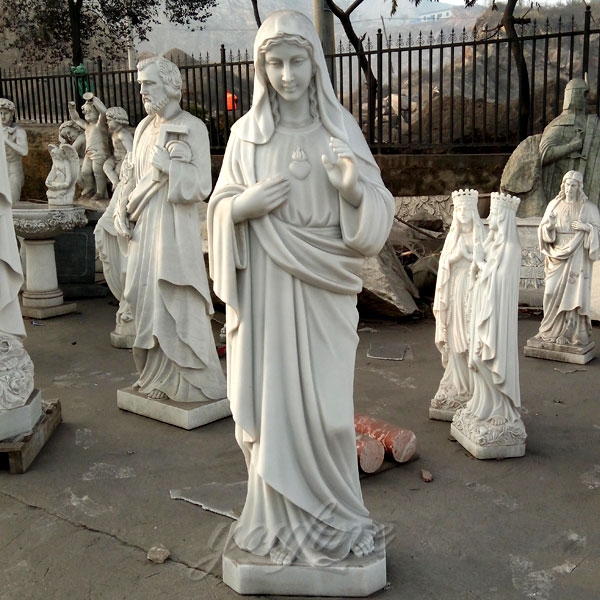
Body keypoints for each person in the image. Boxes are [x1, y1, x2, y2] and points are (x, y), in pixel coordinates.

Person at [208, 10, 394, 566]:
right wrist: (241, 207)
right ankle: (275, 522)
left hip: (324, 291)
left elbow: (378, 211)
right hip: (266, 291)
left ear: (315, 65)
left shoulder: (340, 131)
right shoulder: (245, 137)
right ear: (261, 69)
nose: (287, 75)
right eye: (276, 64)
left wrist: (353, 193)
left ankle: (335, 517)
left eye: (297, 62)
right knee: (273, 413)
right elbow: (217, 208)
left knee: (330, 414)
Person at [114, 55, 226, 403]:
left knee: (174, 298)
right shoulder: (143, 129)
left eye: (149, 84)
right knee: (143, 298)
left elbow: (202, 186)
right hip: (143, 228)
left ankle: (188, 382)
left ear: (171, 85)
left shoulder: (193, 127)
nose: (143, 91)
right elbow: (131, 177)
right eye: (141, 85)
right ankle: (152, 376)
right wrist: (121, 207)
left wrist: (171, 168)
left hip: (173, 231)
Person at [453, 193, 525, 450]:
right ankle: (481, 404)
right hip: (482, 310)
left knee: (488, 359)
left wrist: (480, 263)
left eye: (494, 213)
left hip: (497, 317)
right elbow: (480, 275)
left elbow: (501, 281)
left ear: (503, 217)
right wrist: (478, 265)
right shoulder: (492, 244)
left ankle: (500, 409)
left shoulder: (511, 248)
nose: (490, 217)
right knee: (475, 359)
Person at [430, 189, 485, 420]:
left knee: (472, 338)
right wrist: (456, 255)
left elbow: (486, 266)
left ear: (473, 212)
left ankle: (473, 387)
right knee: (454, 339)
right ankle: (457, 385)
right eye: (459, 209)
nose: (462, 213)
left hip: (473, 293)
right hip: (454, 293)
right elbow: (444, 265)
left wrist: (469, 257)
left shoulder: (481, 237)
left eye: (466, 209)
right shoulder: (453, 238)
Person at [534, 170, 600, 347]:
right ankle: (548, 330)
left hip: (577, 253)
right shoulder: (554, 204)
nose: (569, 188)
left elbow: (598, 231)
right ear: (563, 186)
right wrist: (549, 226)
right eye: (567, 184)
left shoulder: (589, 208)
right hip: (556, 253)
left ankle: (570, 332)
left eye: (573, 185)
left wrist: (586, 227)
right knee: (549, 292)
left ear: (579, 187)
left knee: (574, 294)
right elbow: (543, 230)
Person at [68, 94, 110, 199]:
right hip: (89, 153)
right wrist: (72, 109)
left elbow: (104, 112)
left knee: (97, 172)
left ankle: (100, 192)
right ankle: (90, 186)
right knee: (85, 171)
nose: (87, 114)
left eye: (90, 112)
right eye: (86, 112)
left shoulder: (100, 125)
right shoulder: (87, 126)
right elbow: (76, 119)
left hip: (99, 153)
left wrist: (94, 100)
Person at [0, 98, 28, 203]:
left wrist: (6, 141)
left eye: (6, 113)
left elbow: (24, 151)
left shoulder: (18, 132)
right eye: (0, 113)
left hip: (13, 172)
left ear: (12, 114)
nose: (2, 116)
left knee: (11, 203)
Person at [103, 107, 133, 188]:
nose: (107, 122)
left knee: (118, 172)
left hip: (123, 159)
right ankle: (115, 182)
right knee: (106, 166)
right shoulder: (113, 132)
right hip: (115, 158)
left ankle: (118, 187)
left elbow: (130, 150)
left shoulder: (123, 134)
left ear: (118, 120)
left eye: (109, 120)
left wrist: (126, 163)